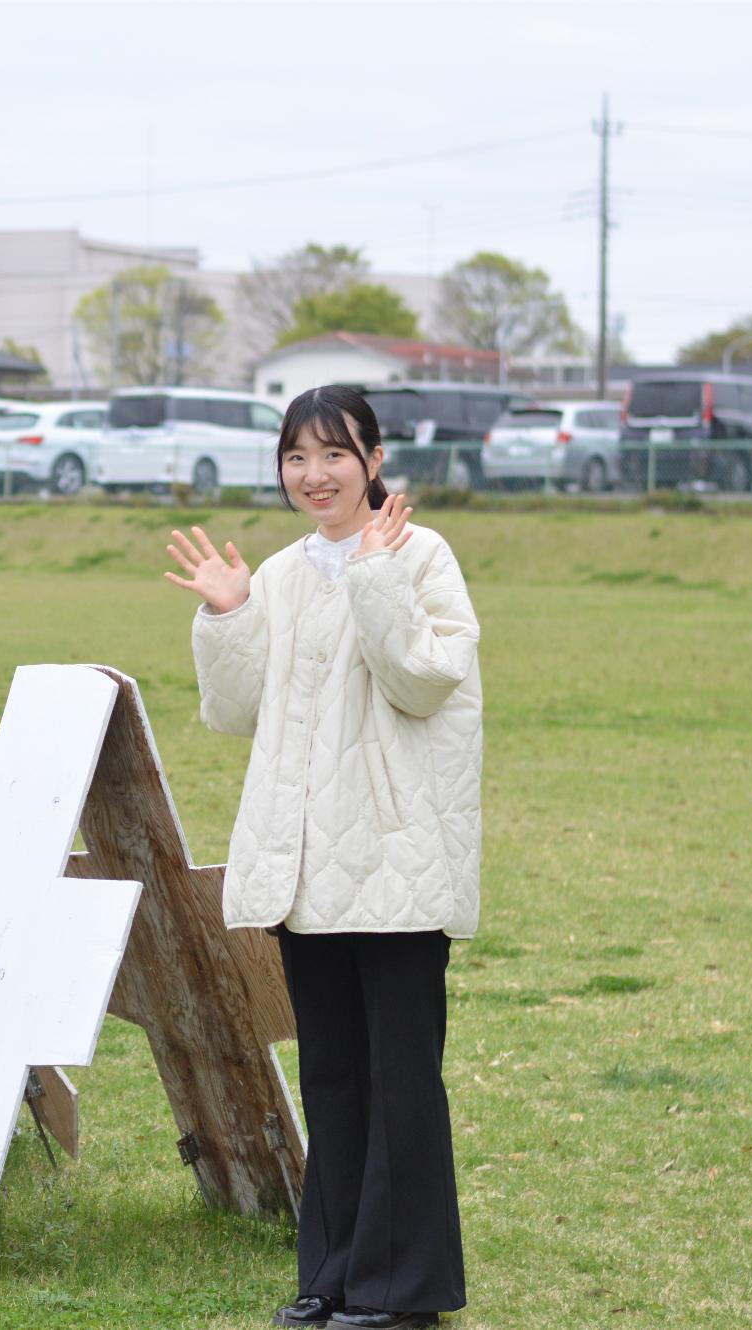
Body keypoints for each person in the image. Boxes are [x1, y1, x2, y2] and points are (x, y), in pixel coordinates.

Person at [164, 385, 482, 1329]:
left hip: (395, 864)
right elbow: (235, 714)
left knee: (402, 1079)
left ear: (375, 461)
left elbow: (425, 682)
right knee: (334, 1076)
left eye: (335, 454)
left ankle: (406, 1291)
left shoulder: (422, 557)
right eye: (297, 457)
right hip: (306, 870)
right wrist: (228, 616)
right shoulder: (281, 571)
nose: (315, 475)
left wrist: (376, 577)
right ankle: (335, 1275)